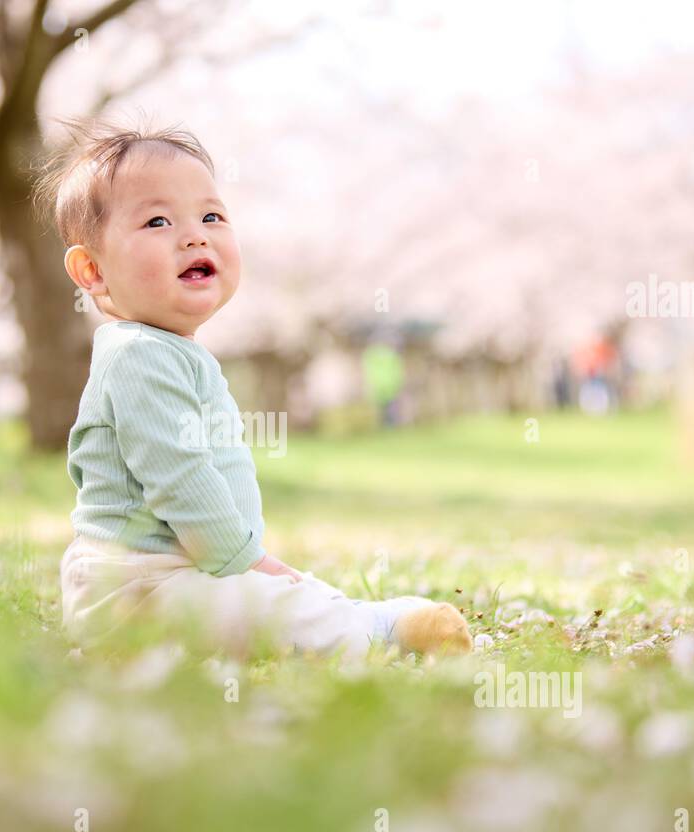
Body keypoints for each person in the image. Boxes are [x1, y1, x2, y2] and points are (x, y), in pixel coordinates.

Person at [33, 118, 471, 661]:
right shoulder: (136, 358)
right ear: (92, 270)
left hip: (184, 578)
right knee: (263, 607)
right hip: (133, 591)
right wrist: (247, 560)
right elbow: (180, 478)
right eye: (157, 221)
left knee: (268, 598)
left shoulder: (170, 352)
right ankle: (377, 633)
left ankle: (355, 617)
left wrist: (250, 564)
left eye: (211, 215)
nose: (194, 234)